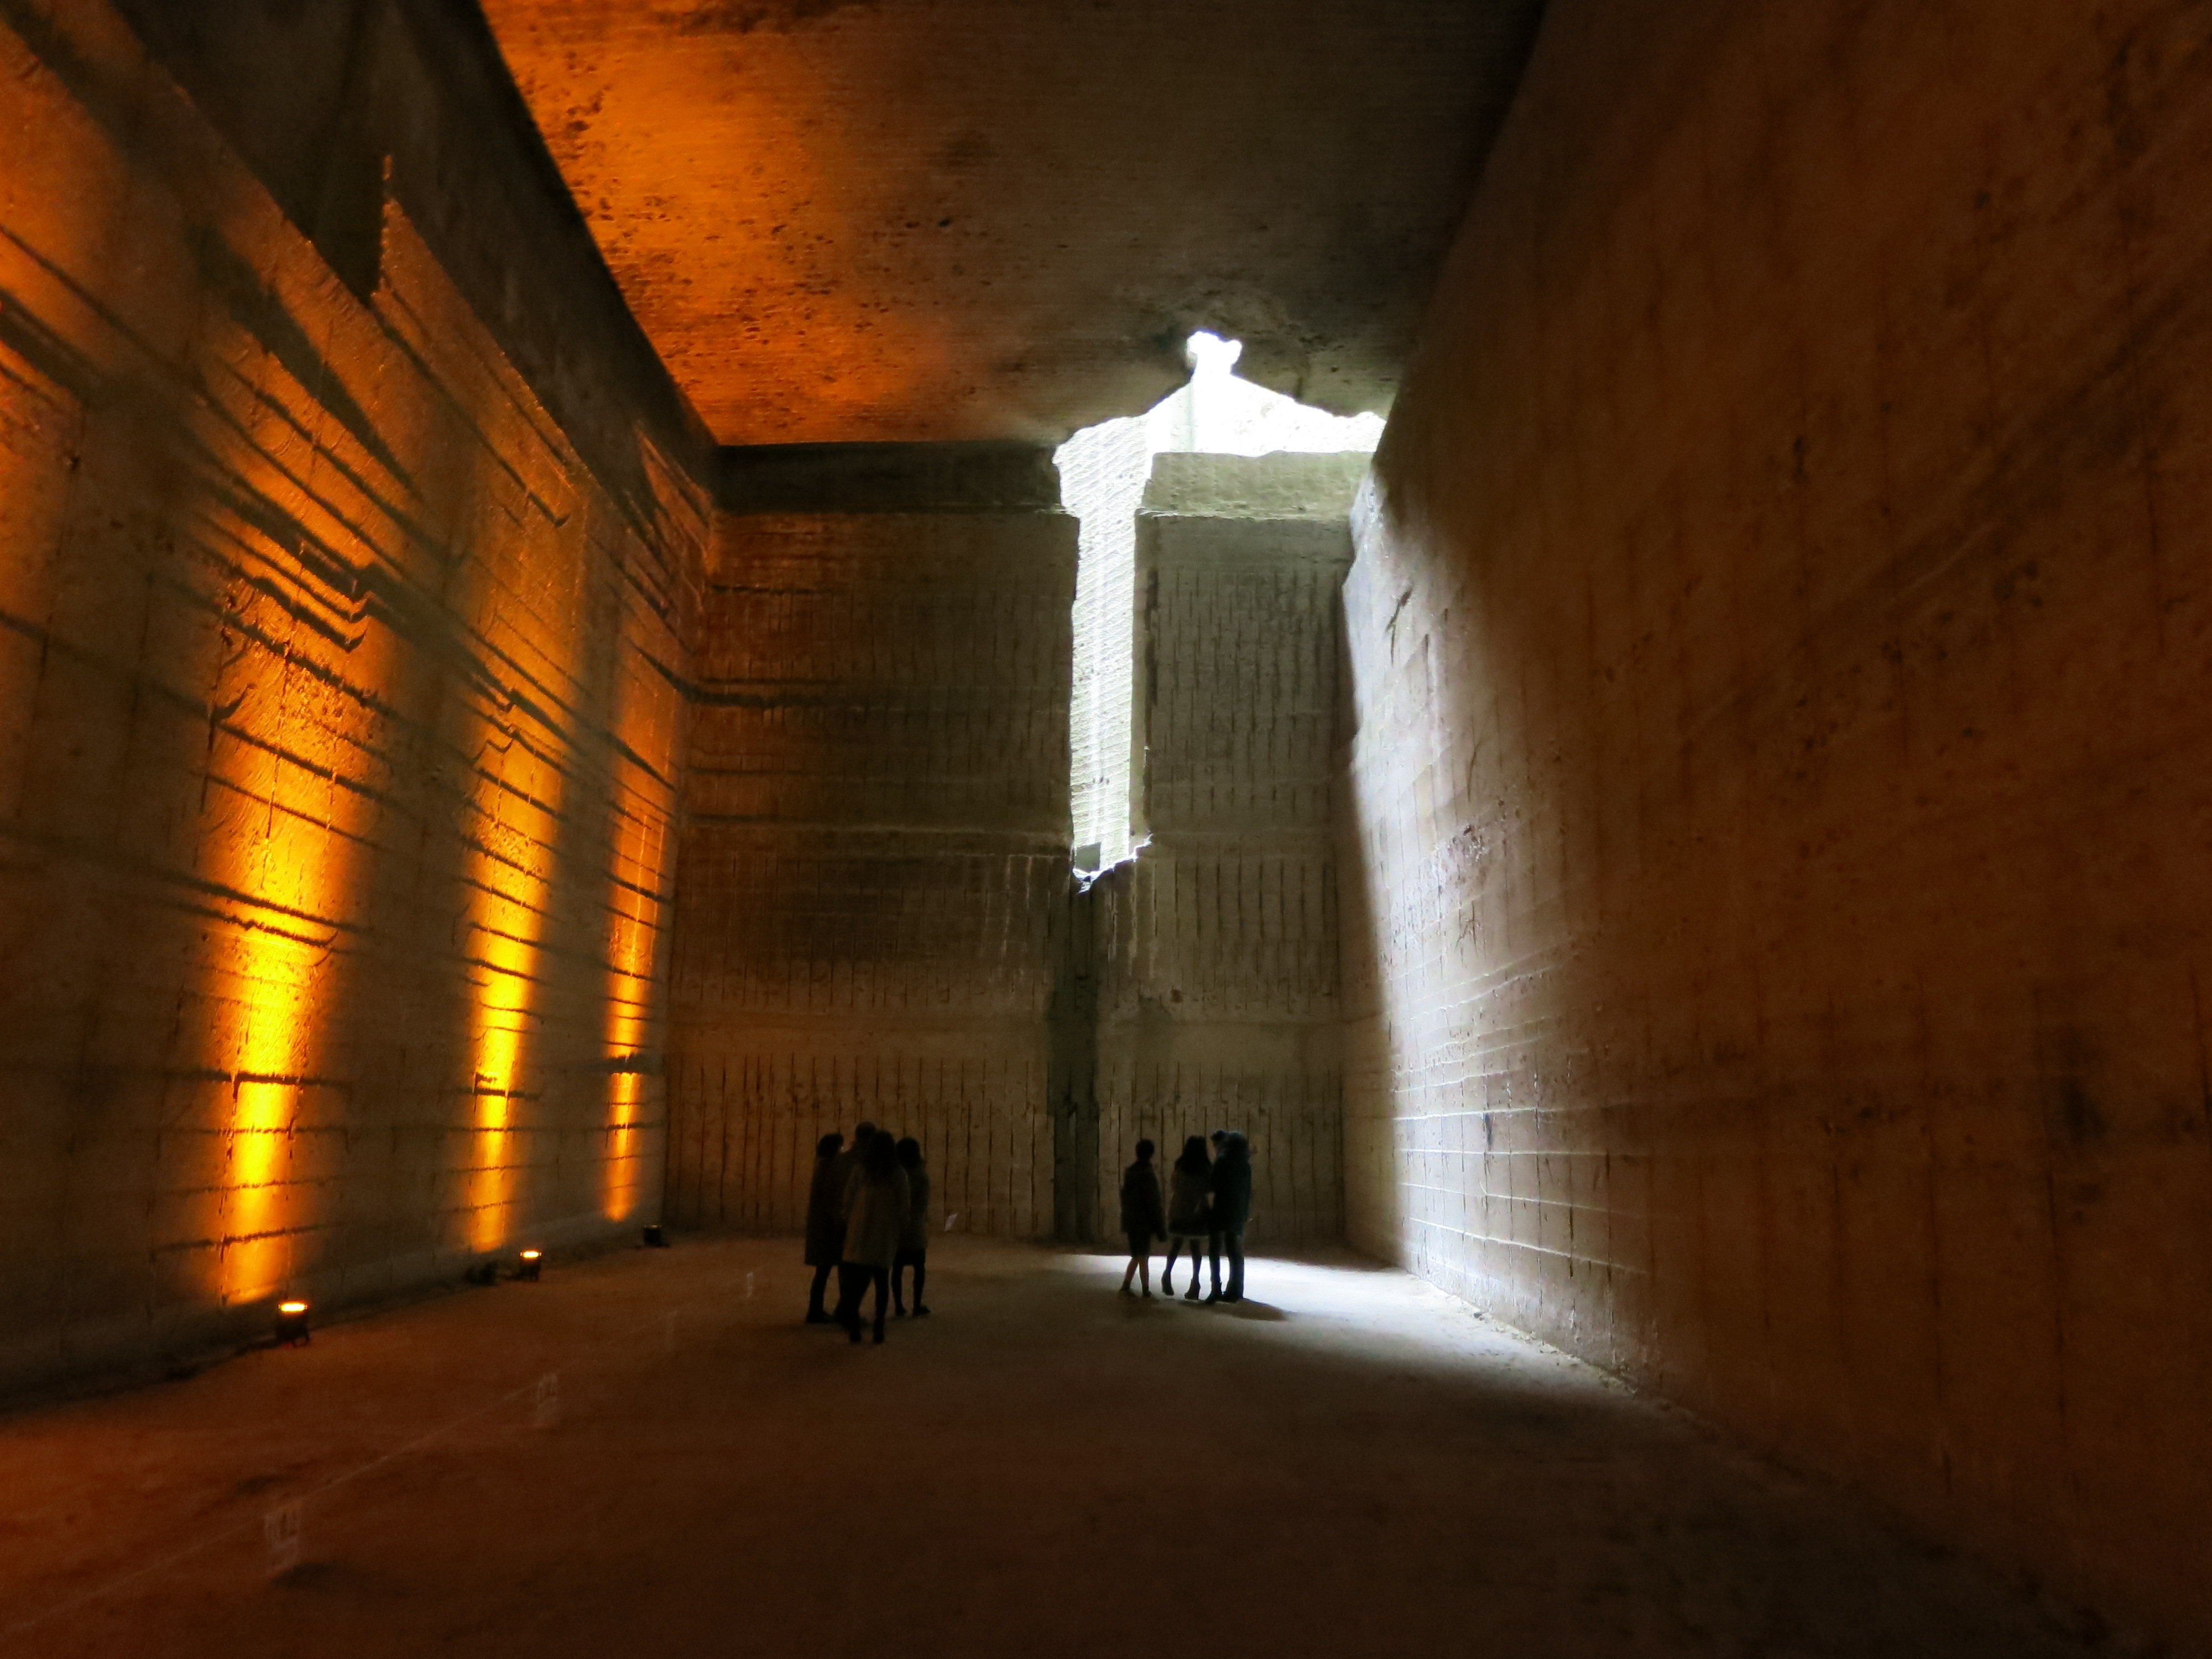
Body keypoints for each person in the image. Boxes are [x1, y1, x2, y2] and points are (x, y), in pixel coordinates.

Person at [836, 1130, 909, 1344]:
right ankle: (879, 1326)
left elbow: (848, 1199)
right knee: (882, 1282)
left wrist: (851, 1221)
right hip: (884, 1234)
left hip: (860, 1233)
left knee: (857, 1284)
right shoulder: (897, 1173)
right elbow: (904, 1205)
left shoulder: (861, 1170)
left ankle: (855, 1328)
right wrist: (900, 1226)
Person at [1204, 1130, 1253, 1304]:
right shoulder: (1246, 1164)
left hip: (1221, 1210)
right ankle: (1236, 1290)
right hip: (1238, 1212)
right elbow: (1248, 1192)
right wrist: (1245, 1212)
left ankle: (1216, 1289)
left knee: (1215, 1250)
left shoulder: (1223, 1160)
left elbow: (1212, 1185)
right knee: (1235, 1253)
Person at [802, 1130, 846, 1323]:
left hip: (822, 1226)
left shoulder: (823, 1166)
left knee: (822, 1272)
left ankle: (816, 1310)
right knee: (826, 1271)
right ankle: (816, 1311)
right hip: (827, 1227)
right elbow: (830, 1201)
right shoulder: (829, 1168)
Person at [1160, 1135, 1211, 1300]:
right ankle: (1195, 1283)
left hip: (1180, 1209)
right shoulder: (1206, 1167)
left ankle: (1167, 1274)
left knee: (1176, 1244)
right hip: (1197, 1211)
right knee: (1196, 1248)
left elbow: (1174, 1185)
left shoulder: (1180, 1165)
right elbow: (1209, 1188)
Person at [1118, 1138, 1166, 1298]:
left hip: (1131, 1220)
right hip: (1144, 1222)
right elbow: (1153, 1202)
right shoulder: (1148, 1175)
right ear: (1151, 1154)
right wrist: (1160, 1227)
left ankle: (1126, 1285)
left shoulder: (1130, 1173)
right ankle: (1145, 1289)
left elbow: (1124, 1197)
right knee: (1143, 1256)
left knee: (1137, 1255)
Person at [892, 1136, 931, 1317]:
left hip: (898, 1226)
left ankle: (899, 1306)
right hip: (914, 1227)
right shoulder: (920, 1173)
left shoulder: (895, 1172)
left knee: (897, 1269)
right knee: (919, 1267)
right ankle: (916, 1305)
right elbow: (922, 1203)